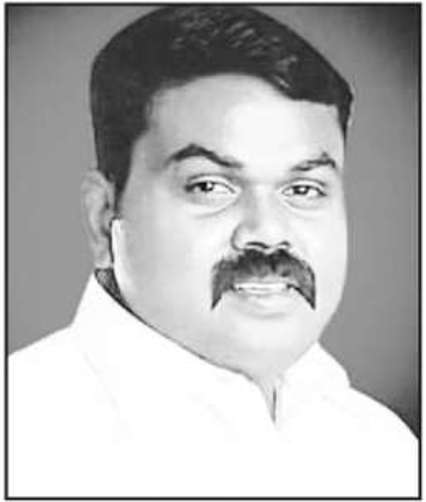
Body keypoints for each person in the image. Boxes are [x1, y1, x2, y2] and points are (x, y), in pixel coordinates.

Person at [9, 5, 418, 497]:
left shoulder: (383, 450)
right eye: (209, 186)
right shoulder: (22, 443)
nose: (268, 233)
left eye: (303, 189)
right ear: (103, 219)